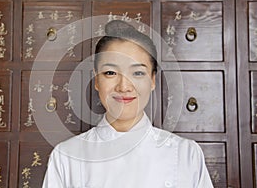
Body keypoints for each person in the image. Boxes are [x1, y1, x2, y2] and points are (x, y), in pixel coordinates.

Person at [42, 20, 214, 188]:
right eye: (110, 72)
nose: (124, 86)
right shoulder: (66, 156)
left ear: (153, 80)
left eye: (138, 73)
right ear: (96, 79)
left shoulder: (186, 154)